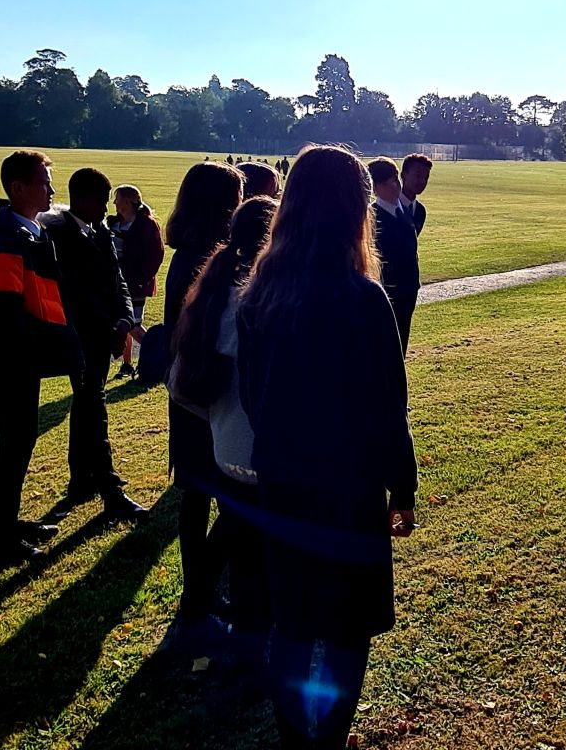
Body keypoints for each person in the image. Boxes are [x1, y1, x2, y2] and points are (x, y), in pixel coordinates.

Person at [238, 145, 417, 750]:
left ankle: (297, 734)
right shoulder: (362, 298)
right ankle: (329, 734)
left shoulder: (259, 293)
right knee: (345, 621)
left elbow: (253, 395)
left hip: (283, 477)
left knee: (293, 615)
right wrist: (403, 486)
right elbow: (387, 406)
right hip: (347, 486)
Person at [169, 194, 278, 665]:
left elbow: (186, 381)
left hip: (225, 435)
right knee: (243, 537)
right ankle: (218, 627)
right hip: (250, 443)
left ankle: (209, 619)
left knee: (238, 533)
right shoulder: (251, 296)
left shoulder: (218, 283)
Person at [0, 150, 82, 566]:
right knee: (14, 449)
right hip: (13, 362)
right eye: (43, 182)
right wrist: (29, 354)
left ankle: (10, 523)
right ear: (18, 188)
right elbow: (2, 310)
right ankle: (1, 539)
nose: (52, 190)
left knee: (21, 446)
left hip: (25, 359)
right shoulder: (8, 241)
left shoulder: (29, 231)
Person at [164, 160, 245, 628]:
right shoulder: (206, 258)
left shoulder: (190, 251)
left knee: (197, 492)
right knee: (205, 492)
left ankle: (202, 588)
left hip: (190, 386)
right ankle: (200, 592)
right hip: (204, 389)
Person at [41, 168, 148, 521]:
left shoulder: (98, 230)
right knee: (94, 408)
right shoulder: (58, 235)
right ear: (84, 198)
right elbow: (74, 294)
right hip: (82, 339)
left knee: (87, 405)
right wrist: (111, 324)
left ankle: (81, 479)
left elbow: (116, 278)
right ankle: (110, 490)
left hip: (104, 335)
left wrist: (125, 317)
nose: (107, 209)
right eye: (102, 201)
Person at [108, 184, 165, 379]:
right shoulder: (113, 223)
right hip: (117, 282)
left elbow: (156, 254)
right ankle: (126, 365)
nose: (114, 202)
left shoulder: (145, 224)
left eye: (117, 198)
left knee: (133, 324)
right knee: (124, 321)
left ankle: (159, 356)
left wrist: (143, 278)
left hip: (136, 283)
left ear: (127, 201)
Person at [368, 157, 420, 356]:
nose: (396, 185)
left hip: (409, 288)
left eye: (396, 178)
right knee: (386, 344)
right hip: (388, 291)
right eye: (389, 181)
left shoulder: (405, 210)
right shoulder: (372, 216)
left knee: (402, 340)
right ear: (377, 187)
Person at [400, 153, 432, 236]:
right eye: (418, 176)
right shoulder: (388, 208)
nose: (422, 181)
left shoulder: (420, 211)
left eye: (426, 178)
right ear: (404, 175)